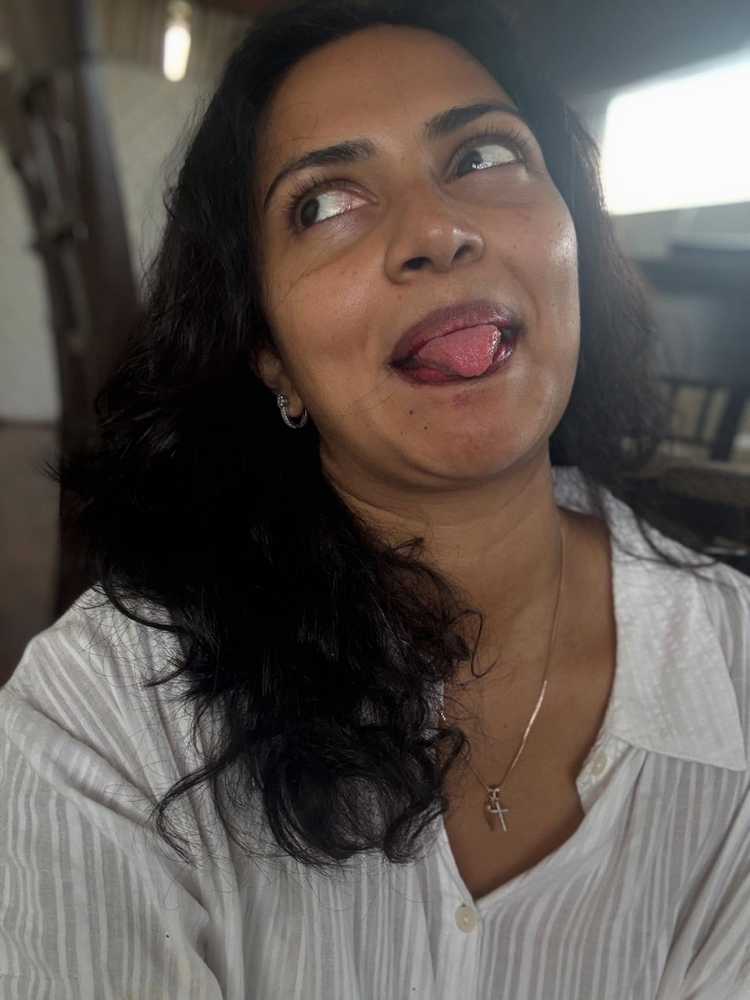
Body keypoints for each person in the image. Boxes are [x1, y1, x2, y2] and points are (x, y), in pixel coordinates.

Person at [1, 0, 748, 996]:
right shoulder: (102, 725)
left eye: (484, 154)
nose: (436, 230)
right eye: (323, 203)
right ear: (270, 356)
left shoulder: (735, 667)